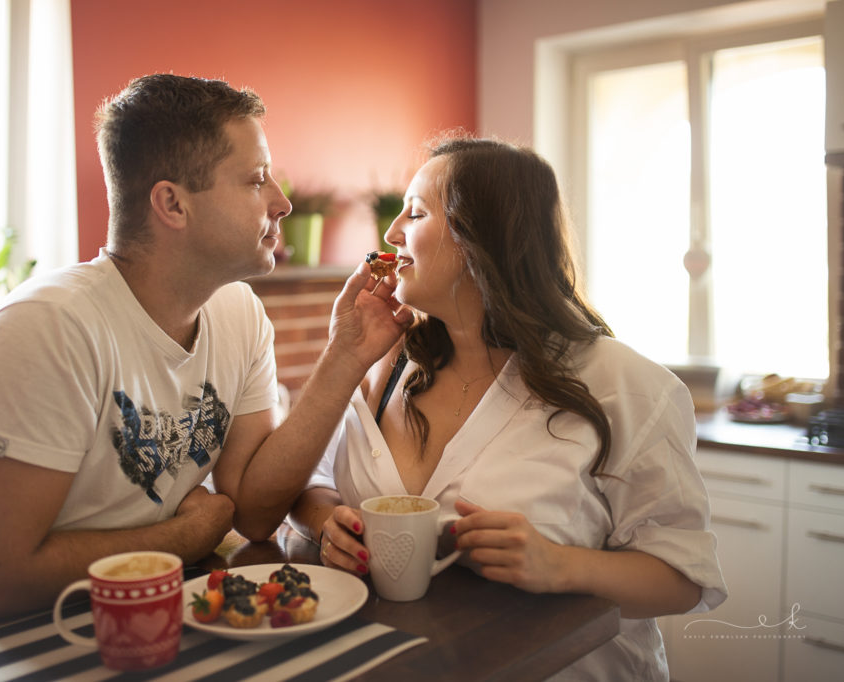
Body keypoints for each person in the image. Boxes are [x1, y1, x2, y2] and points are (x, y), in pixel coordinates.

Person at [0, 74, 412, 621]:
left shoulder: (237, 313)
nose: (282, 202)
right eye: (256, 179)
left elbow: (257, 512)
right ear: (172, 203)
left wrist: (345, 355)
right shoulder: (44, 331)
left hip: (138, 622)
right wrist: (185, 536)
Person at [288, 134, 727, 680]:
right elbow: (313, 484)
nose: (392, 233)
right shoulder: (384, 365)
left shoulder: (627, 386)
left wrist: (560, 564)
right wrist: (330, 521)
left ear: (482, 238)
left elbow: (683, 580)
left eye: (416, 214)